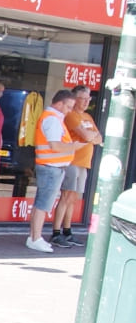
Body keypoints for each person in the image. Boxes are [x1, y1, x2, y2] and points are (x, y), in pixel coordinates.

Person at [50, 85, 103, 248]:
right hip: (72, 161)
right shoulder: (72, 116)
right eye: (83, 98)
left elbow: (99, 138)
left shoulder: (87, 116)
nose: (87, 102)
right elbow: (88, 135)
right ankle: (56, 232)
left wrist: (91, 136)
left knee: (73, 199)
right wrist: (90, 136)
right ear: (75, 99)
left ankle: (67, 231)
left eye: (89, 98)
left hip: (84, 163)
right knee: (66, 197)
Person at [26, 89, 79, 252]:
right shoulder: (53, 119)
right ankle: (36, 238)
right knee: (43, 204)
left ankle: (34, 236)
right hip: (51, 167)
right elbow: (55, 145)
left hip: (49, 166)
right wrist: (74, 147)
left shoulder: (53, 118)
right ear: (59, 103)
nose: (70, 110)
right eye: (68, 106)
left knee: (40, 203)